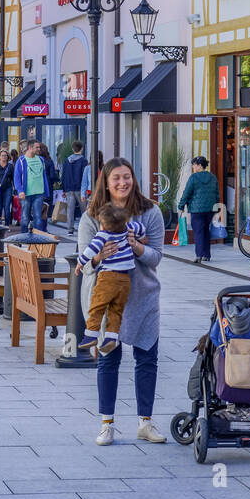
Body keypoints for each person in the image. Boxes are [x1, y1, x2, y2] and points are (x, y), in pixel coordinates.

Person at [79, 158, 166, 446]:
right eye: (116, 178)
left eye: (127, 177)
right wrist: (99, 255)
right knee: (108, 359)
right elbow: (85, 261)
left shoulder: (150, 212)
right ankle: (107, 425)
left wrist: (136, 246)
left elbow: (156, 257)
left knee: (147, 359)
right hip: (108, 297)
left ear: (134, 178)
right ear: (106, 182)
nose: (122, 183)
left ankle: (145, 423)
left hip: (143, 295)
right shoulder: (92, 216)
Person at [77, 202, 146, 355]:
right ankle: (111, 338)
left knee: (97, 306)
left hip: (108, 278)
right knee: (116, 310)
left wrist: (79, 264)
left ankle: (91, 335)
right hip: (125, 280)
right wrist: (138, 236)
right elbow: (142, 230)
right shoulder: (129, 228)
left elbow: (89, 251)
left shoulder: (104, 235)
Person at [177, 156, 219, 265]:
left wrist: (181, 206)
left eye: (194, 165)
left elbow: (186, 193)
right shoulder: (213, 178)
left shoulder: (194, 178)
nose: (193, 167)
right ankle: (207, 255)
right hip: (209, 209)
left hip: (196, 210)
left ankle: (199, 255)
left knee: (199, 232)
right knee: (206, 231)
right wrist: (217, 209)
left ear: (200, 165)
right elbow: (217, 194)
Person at [15, 142, 51, 234]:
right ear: (30, 148)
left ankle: (38, 238)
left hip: (39, 193)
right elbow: (17, 178)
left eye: (39, 147)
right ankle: (23, 236)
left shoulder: (41, 159)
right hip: (26, 194)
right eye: (37, 147)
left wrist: (46, 191)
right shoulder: (21, 160)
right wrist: (20, 191)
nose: (39, 149)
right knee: (25, 217)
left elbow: (44, 176)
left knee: (38, 217)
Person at [60, 140, 88, 234]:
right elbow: (85, 175)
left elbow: (63, 175)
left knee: (70, 209)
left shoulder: (67, 161)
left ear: (73, 149)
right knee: (84, 210)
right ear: (82, 149)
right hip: (80, 188)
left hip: (68, 188)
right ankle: (85, 228)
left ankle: (70, 230)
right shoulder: (83, 161)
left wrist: (63, 188)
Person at [0, 149, 15, 224]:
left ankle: (7, 225)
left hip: (8, 189)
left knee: (7, 207)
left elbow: (13, 178)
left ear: (8, 157)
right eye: (2, 155)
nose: (4, 157)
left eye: (5, 155)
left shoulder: (10, 166)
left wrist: (15, 189)